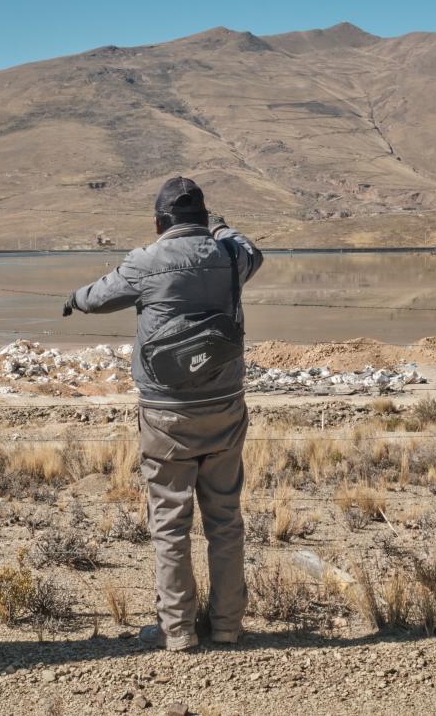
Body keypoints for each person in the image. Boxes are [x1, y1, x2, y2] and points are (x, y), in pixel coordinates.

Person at [63, 176, 264, 651]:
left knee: (170, 524)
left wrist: (73, 298)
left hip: (166, 411)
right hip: (224, 405)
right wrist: (219, 228)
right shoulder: (229, 255)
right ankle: (227, 626)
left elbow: (98, 297)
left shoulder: (145, 261)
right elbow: (249, 248)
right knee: (225, 519)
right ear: (203, 219)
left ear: (159, 223)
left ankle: (177, 630)